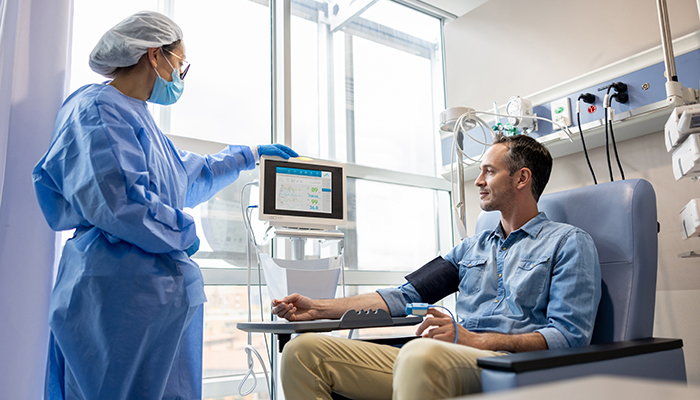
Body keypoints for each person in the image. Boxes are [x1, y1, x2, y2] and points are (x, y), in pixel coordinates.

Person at [32, 11, 297, 400]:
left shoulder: (140, 121)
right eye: (180, 65)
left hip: (156, 302)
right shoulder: (97, 110)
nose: (179, 78)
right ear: (154, 56)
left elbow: (188, 175)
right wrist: (183, 233)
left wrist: (248, 154)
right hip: (115, 295)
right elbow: (120, 202)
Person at [272, 134, 601, 400]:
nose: (478, 182)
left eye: (489, 171)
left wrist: (476, 339)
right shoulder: (471, 247)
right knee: (303, 352)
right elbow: (403, 296)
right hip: (446, 356)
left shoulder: (568, 243)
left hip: (508, 364)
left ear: (521, 178)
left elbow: (568, 336)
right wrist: (318, 308)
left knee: (421, 355)